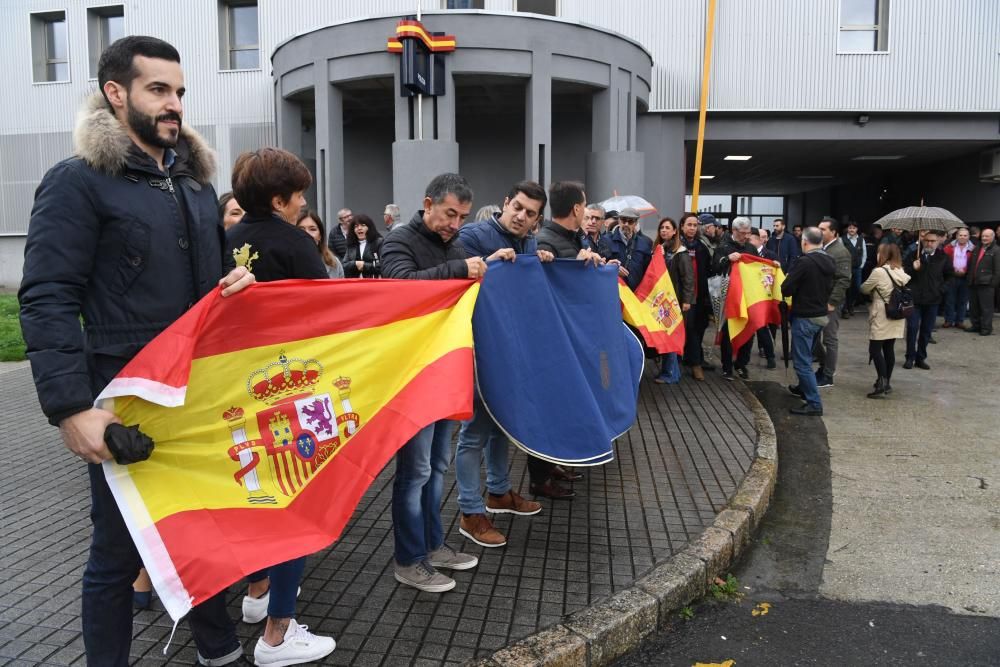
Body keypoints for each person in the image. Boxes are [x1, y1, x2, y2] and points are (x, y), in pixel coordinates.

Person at [18, 36, 256, 666]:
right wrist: (71, 408)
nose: (174, 104)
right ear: (115, 93)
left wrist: (233, 286)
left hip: (198, 396)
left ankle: (219, 649)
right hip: (123, 402)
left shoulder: (197, 186)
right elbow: (46, 298)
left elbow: (204, 292)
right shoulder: (77, 183)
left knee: (202, 529)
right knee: (117, 554)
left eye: (179, 91)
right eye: (158, 89)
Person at [224, 147, 336, 666]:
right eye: (299, 196)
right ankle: (277, 634)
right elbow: (326, 319)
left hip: (236, 393)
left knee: (257, 498)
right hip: (293, 392)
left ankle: (255, 593)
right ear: (278, 199)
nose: (304, 205)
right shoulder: (294, 243)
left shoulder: (222, 242)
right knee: (299, 504)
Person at [381, 173, 484, 592]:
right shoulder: (398, 241)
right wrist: (459, 269)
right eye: (449, 214)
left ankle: (432, 545)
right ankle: (408, 559)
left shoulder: (454, 245)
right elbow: (399, 288)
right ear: (428, 204)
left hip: (443, 373)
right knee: (416, 471)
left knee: (436, 467)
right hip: (411, 374)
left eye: (461, 217)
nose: (454, 224)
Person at [453, 180, 552, 548]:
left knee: (499, 427)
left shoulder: (529, 242)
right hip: (478, 350)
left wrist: (540, 262)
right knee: (474, 433)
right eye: (518, 208)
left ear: (536, 220)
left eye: (530, 214)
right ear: (506, 202)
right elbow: (457, 276)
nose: (521, 217)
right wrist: (486, 265)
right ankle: (469, 511)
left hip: (509, 350)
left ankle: (498, 493)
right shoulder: (475, 235)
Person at [532, 181, 604, 499]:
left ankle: (553, 464)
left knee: (563, 409)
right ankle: (539, 478)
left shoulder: (572, 239)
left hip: (567, 341)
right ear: (576, 209)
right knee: (549, 412)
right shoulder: (545, 241)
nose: (587, 211)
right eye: (585, 205)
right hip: (550, 344)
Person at [782, 227, 835, 415]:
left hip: (804, 316)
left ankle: (814, 403)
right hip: (820, 315)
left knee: (802, 362)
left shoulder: (804, 262)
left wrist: (790, 281)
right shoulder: (829, 260)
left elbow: (786, 288)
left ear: (804, 242)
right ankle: (804, 388)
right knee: (807, 356)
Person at [860, 243, 910, 398]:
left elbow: (864, 288)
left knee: (875, 349)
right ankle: (887, 381)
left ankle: (881, 383)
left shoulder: (879, 271)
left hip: (882, 313)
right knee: (889, 348)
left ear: (883, 255)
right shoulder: (900, 270)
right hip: (897, 313)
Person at [713, 216, 756, 380]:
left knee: (749, 331)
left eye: (748, 232)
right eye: (743, 233)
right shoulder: (723, 247)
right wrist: (727, 260)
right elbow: (714, 268)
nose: (746, 236)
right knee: (729, 332)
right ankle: (727, 366)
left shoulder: (751, 248)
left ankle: (742, 364)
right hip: (729, 297)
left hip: (748, 296)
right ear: (734, 231)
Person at [902, 230, 951, 369]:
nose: (929, 243)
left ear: (938, 242)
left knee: (926, 331)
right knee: (912, 328)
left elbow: (950, 275)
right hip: (915, 298)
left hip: (933, 299)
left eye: (932, 241)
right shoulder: (913, 255)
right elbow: (902, 273)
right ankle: (909, 357)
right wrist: (913, 268)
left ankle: (920, 358)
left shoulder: (943, 257)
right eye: (927, 240)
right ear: (922, 241)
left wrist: (942, 289)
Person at [654, 217, 693, 384]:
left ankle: (670, 373)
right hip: (661, 301)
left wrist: (686, 300)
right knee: (665, 337)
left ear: (675, 231)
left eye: (667, 228)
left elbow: (688, 278)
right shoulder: (659, 249)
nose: (664, 230)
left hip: (674, 301)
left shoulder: (680, 252)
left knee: (670, 337)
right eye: (662, 227)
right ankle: (669, 371)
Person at [814, 217, 851, 389]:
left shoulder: (840, 252)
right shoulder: (822, 248)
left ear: (833, 232)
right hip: (817, 299)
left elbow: (843, 280)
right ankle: (824, 366)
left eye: (823, 229)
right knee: (814, 337)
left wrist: (833, 301)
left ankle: (828, 375)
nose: (819, 231)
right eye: (819, 228)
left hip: (829, 302)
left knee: (829, 338)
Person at [679, 212, 714, 380]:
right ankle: (695, 364)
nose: (692, 228)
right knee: (689, 329)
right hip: (682, 297)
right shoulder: (675, 246)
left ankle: (691, 358)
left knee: (699, 327)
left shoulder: (701, 247)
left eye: (695, 225)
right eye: (689, 225)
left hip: (700, 297)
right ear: (682, 226)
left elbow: (709, 270)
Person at [749, 227, 778, 369]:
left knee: (762, 328)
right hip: (749, 296)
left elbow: (778, 274)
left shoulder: (771, 255)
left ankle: (770, 356)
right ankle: (743, 359)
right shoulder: (744, 254)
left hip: (764, 297)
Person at [606, 207, 653, 290]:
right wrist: (613, 268)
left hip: (635, 294)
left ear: (635, 223)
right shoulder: (606, 240)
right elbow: (600, 266)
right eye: (624, 220)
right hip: (614, 292)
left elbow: (648, 271)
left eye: (630, 221)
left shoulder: (644, 243)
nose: (626, 224)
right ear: (619, 221)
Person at [967, 228, 1000, 336]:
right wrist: (969, 279)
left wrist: (993, 284)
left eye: (987, 236)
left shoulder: (996, 250)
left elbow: (998, 270)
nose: (984, 238)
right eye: (983, 236)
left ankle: (986, 328)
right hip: (974, 282)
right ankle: (976, 326)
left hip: (987, 284)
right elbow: (972, 265)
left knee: (986, 308)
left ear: (992, 237)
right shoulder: (977, 248)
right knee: (974, 307)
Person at [942, 227, 974, 329]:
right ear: (956, 236)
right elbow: (944, 261)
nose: (963, 237)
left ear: (969, 237)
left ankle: (959, 321)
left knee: (963, 300)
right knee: (949, 300)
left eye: (965, 235)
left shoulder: (973, 249)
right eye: (960, 235)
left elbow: (974, 263)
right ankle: (949, 320)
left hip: (965, 277)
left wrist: (965, 270)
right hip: (951, 276)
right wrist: (953, 269)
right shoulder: (948, 247)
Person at [297, 209, 344, 278]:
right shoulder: (284, 263)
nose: (307, 234)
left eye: (312, 229)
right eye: (300, 229)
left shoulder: (334, 263)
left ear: (320, 236)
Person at [343, 213, 383, 278]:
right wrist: (355, 264)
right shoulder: (351, 245)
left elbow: (383, 266)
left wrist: (364, 265)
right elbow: (344, 265)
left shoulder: (378, 242)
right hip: (354, 284)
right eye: (356, 226)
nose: (359, 228)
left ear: (369, 227)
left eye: (363, 225)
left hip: (373, 283)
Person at [842, 221, 867, 318]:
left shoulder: (861, 239)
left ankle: (851, 304)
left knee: (857, 287)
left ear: (857, 229)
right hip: (846, 269)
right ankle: (845, 309)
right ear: (847, 229)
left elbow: (864, 254)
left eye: (854, 228)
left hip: (857, 268)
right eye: (850, 228)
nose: (852, 230)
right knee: (846, 288)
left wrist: (861, 266)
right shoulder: (842, 239)